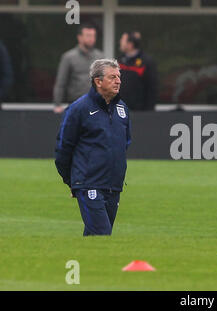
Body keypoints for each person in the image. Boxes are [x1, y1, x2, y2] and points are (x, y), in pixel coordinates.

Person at [55, 59, 131, 236]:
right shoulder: (79, 109)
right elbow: (63, 149)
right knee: (102, 234)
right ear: (98, 81)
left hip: (113, 185)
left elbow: (124, 143)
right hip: (89, 183)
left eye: (119, 77)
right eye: (112, 77)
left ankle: (80, 263)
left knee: (95, 238)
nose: (118, 81)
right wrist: (73, 182)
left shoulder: (122, 108)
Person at [53, 23, 104, 114]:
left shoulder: (100, 57)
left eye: (93, 36)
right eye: (88, 35)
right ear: (80, 37)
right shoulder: (69, 57)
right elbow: (61, 82)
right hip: (76, 104)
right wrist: (57, 104)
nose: (91, 39)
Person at [118, 31, 158, 111]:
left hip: (140, 112)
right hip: (121, 111)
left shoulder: (146, 62)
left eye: (123, 40)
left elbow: (152, 89)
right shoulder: (119, 61)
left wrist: (148, 111)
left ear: (130, 44)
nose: (120, 42)